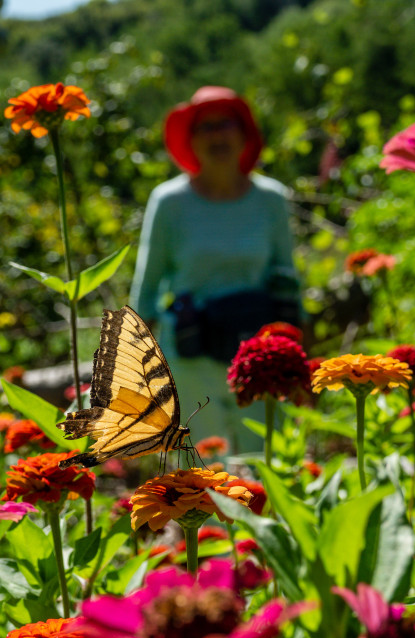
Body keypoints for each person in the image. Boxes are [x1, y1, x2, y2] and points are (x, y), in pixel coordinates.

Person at [129, 86, 299, 454]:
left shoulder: (271, 199)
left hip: (260, 357)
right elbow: (147, 286)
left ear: (244, 134)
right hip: (192, 354)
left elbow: (287, 278)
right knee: (203, 470)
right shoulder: (169, 202)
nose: (217, 135)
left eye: (225, 124)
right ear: (191, 141)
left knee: (268, 459)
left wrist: (299, 350)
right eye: (205, 128)